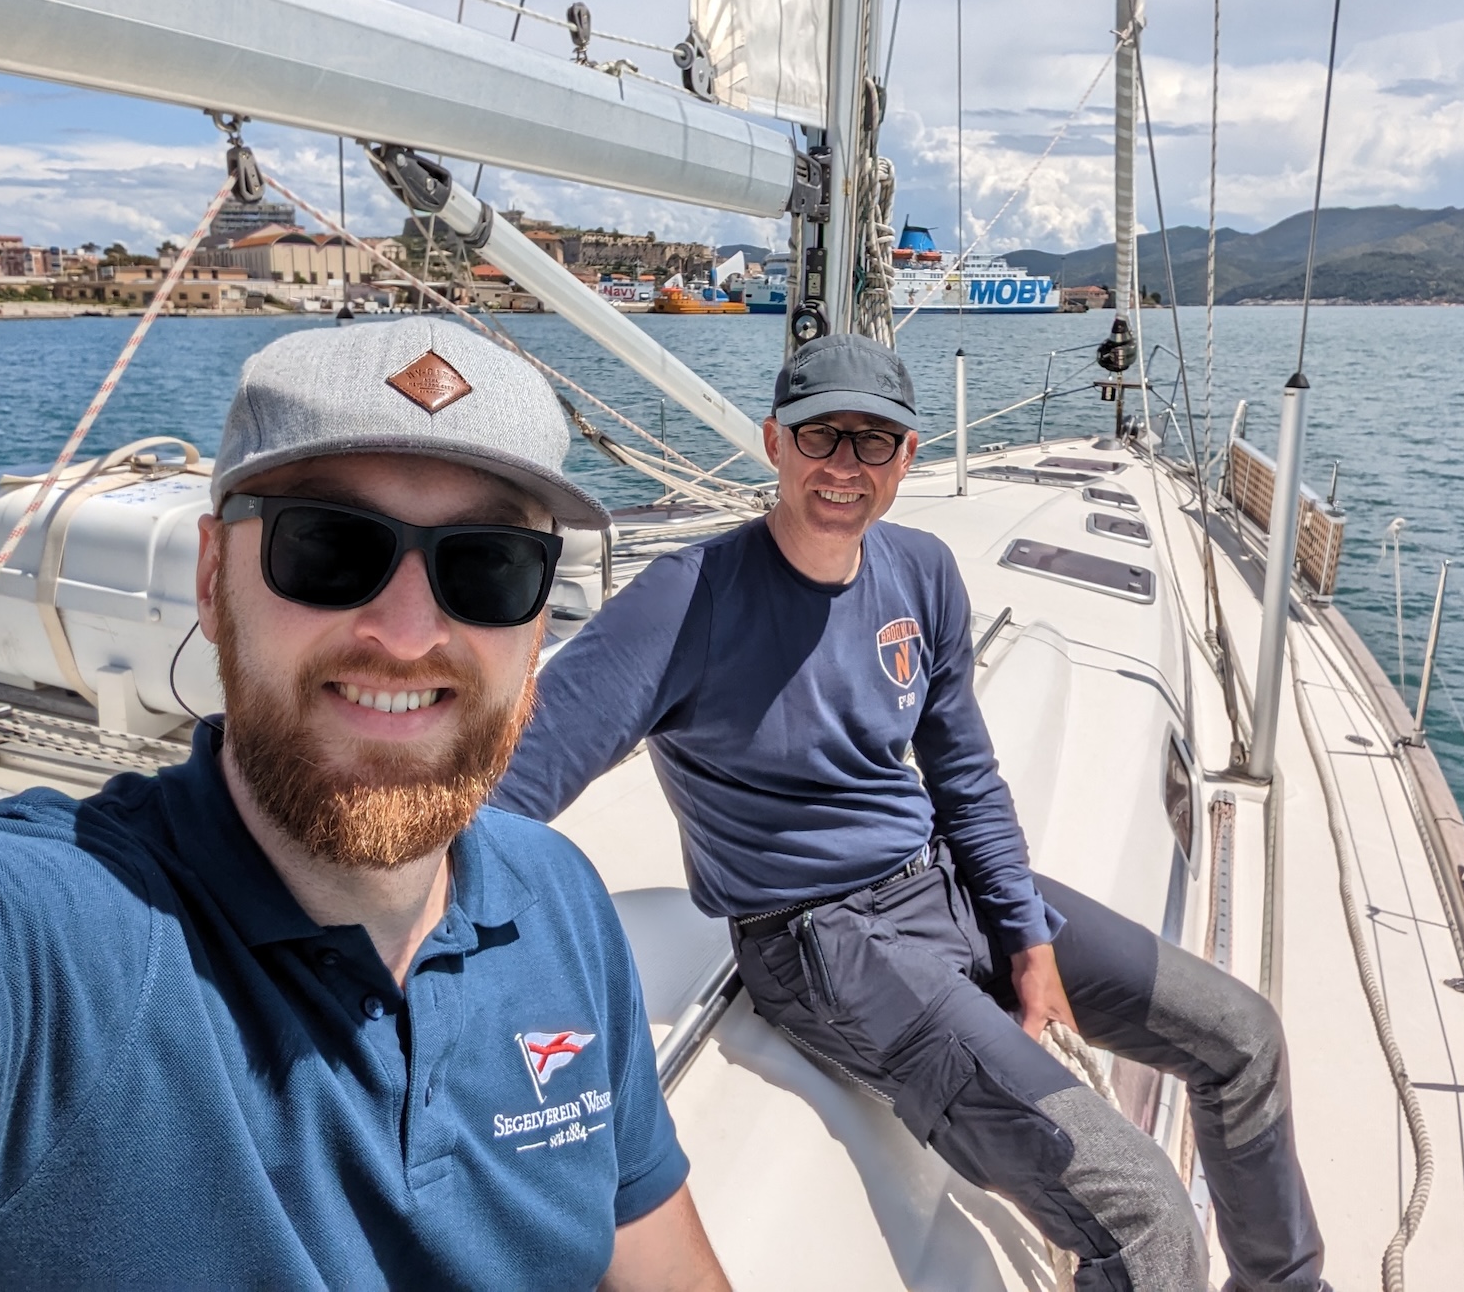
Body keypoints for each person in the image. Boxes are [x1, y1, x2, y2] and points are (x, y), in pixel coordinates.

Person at [0, 321, 728, 1291]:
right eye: (328, 545)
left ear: (537, 623)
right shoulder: (51, 942)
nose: (408, 635)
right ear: (212, 577)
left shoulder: (560, 899)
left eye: (485, 564)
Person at [496, 333, 1328, 1291]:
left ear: (908, 458)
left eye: (874, 442)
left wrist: (1027, 940)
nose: (845, 466)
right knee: (1145, 1214)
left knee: (1241, 1035)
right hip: (820, 942)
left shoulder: (921, 572)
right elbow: (518, 784)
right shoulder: (686, 601)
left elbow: (965, 774)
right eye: (821, 436)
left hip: (943, 884)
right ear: (775, 442)